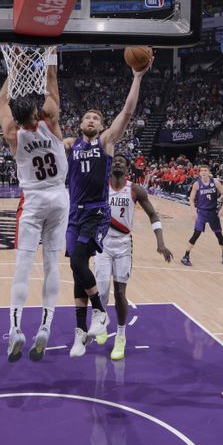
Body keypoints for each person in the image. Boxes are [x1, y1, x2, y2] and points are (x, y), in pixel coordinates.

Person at [64, 53, 153, 357]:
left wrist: (137, 77)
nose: (92, 120)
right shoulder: (69, 145)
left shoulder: (105, 143)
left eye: (96, 119)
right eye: (87, 118)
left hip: (96, 212)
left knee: (78, 262)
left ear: (101, 126)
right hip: (73, 214)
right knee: (78, 270)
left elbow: (127, 111)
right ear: (80, 124)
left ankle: (100, 312)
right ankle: (79, 332)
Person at [0, 47, 67, 362]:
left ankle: (15, 330)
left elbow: (1, 103)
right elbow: (51, 82)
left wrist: (15, 69)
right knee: (52, 265)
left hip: (34, 199)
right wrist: (50, 54)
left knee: (23, 266)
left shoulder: (13, 134)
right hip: (59, 198)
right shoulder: (51, 123)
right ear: (37, 114)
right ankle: (46, 327)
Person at [94, 154, 173, 360]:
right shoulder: (100, 187)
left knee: (120, 293)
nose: (118, 162)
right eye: (115, 160)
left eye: (122, 161)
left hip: (123, 246)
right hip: (102, 243)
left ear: (128, 168)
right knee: (101, 292)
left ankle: (121, 336)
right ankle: (102, 321)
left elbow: (153, 215)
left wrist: (161, 243)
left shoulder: (135, 190)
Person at [180, 165, 223, 266]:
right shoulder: (197, 184)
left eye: (205, 170)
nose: (203, 172)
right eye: (202, 171)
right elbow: (191, 199)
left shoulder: (215, 182)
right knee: (196, 234)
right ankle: (186, 256)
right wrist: (193, 211)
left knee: (219, 235)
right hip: (201, 212)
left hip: (213, 212)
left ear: (209, 172)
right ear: (199, 173)